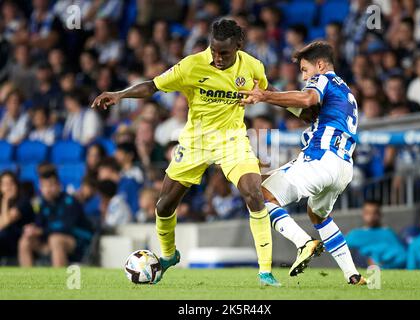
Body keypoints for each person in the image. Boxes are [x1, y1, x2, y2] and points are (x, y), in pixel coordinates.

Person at [91, 19, 279, 286]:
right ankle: (168, 256)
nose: (217, 57)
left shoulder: (252, 66)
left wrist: (277, 101)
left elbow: (265, 90)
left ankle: (265, 271)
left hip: (232, 140)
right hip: (195, 142)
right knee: (164, 205)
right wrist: (120, 94)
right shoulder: (192, 65)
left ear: (239, 45)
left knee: (254, 192)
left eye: (224, 53)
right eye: (213, 51)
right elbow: (153, 86)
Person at [241, 41, 366, 285]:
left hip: (320, 159)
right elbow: (309, 112)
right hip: (343, 167)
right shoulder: (347, 92)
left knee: (260, 195)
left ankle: (304, 243)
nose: (304, 76)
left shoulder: (323, 80)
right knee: (317, 214)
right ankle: (353, 275)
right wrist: (272, 97)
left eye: (305, 69)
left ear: (320, 65)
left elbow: (308, 99)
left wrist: (264, 95)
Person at [18, 169, 93, 267]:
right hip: (50, 241)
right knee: (25, 241)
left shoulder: (70, 201)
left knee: (56, 239)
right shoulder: (42, 204)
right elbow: (39, 225)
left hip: (78, 243)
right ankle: (28, 280)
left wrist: (41, 231)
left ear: (59, 186)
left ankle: (58, 280)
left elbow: (66, 227)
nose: (47, 189)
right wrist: (32, 229)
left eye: (51, 185)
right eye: (44, 186)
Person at [345, 200, 407, 269]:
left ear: (380, 214)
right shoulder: (354, 235)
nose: (371, 216)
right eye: (367, 213)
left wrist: (382, 265)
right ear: (363, 214)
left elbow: (402, 257)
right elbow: (342, 254)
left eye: (374, 213)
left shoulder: (388, 233)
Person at [0, 171, 34, 260]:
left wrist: (5, 200)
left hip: (20, 239)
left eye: (11, 183)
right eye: (5, 184)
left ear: (17, 185)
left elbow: (6, 222)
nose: (8, 187)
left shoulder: (23, 202)